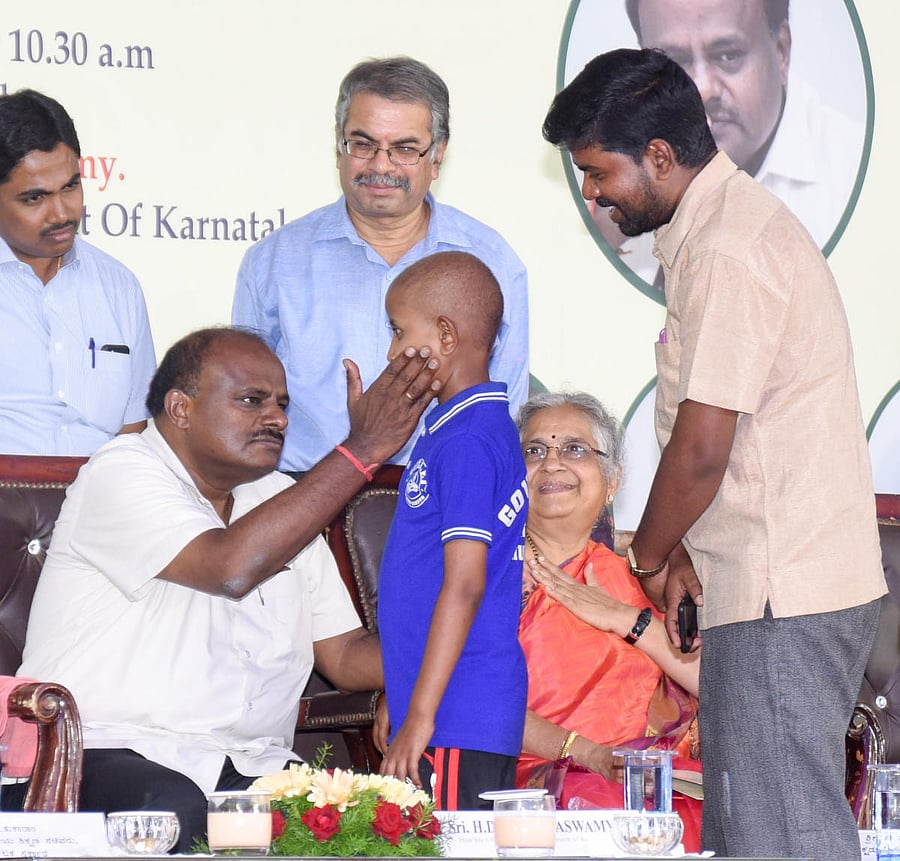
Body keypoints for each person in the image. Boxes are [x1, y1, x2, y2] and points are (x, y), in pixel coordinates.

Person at [542, 48, 885, 859]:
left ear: (660, 157)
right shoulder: (711, 237)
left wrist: (652, 556)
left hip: (783, 594)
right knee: (750, 829)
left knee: (783, 835)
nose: (591, 193)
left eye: (598, 172)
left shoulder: (729, 248)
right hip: (766, 586)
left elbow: (702, 446)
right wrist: (687, 550)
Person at [17, 326, 441, 850]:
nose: (278, 418)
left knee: (376, 826)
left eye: (282, 404)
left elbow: (346, 657)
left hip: (253, 766)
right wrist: (363, 450)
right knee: (174, 813)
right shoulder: (121, 470)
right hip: (103, 751)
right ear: (180, 408)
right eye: (252, 400)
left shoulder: (280, 495)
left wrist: (465, 622)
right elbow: (229, 568)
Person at [233, 56, 529, 472]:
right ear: (338, 147)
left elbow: (505, 411)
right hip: (298, 500)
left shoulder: (492, 263)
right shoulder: (274, 263)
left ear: (438, 157)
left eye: (405, 149)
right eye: (363, 144)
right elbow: (244, 411)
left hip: (442, 503)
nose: (381, 165)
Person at [513, 392, 702, 852]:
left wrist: (626, 619)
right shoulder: (487, 576)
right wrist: (587, 754)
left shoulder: (643, 576)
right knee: (601, 803)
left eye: (574, 449)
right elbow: (470, 700)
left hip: (650, 776)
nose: (552, 463)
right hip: (535, 776)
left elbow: (716, 683)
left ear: (612, 479)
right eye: (534, 451)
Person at [375, 251, 527, 810]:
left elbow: (464, 584)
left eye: (397, 332)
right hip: (445, 705)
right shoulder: (456, 429)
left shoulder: (466, 441)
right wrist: (404, 689)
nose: (391, 351)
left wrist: (421, 714)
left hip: (457, 714)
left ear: (444, 334)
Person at [592, 0, 863, 285]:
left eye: (728, 56)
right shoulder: (601, 188)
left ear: (781, 51)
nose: (703, 89)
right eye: (672, 65)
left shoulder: (863, 177)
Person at [0, 89, 156, 455]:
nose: (62, 213)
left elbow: (132, 433)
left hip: (99, 499)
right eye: (35, 198)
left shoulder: (118, 286)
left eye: (70, 186)